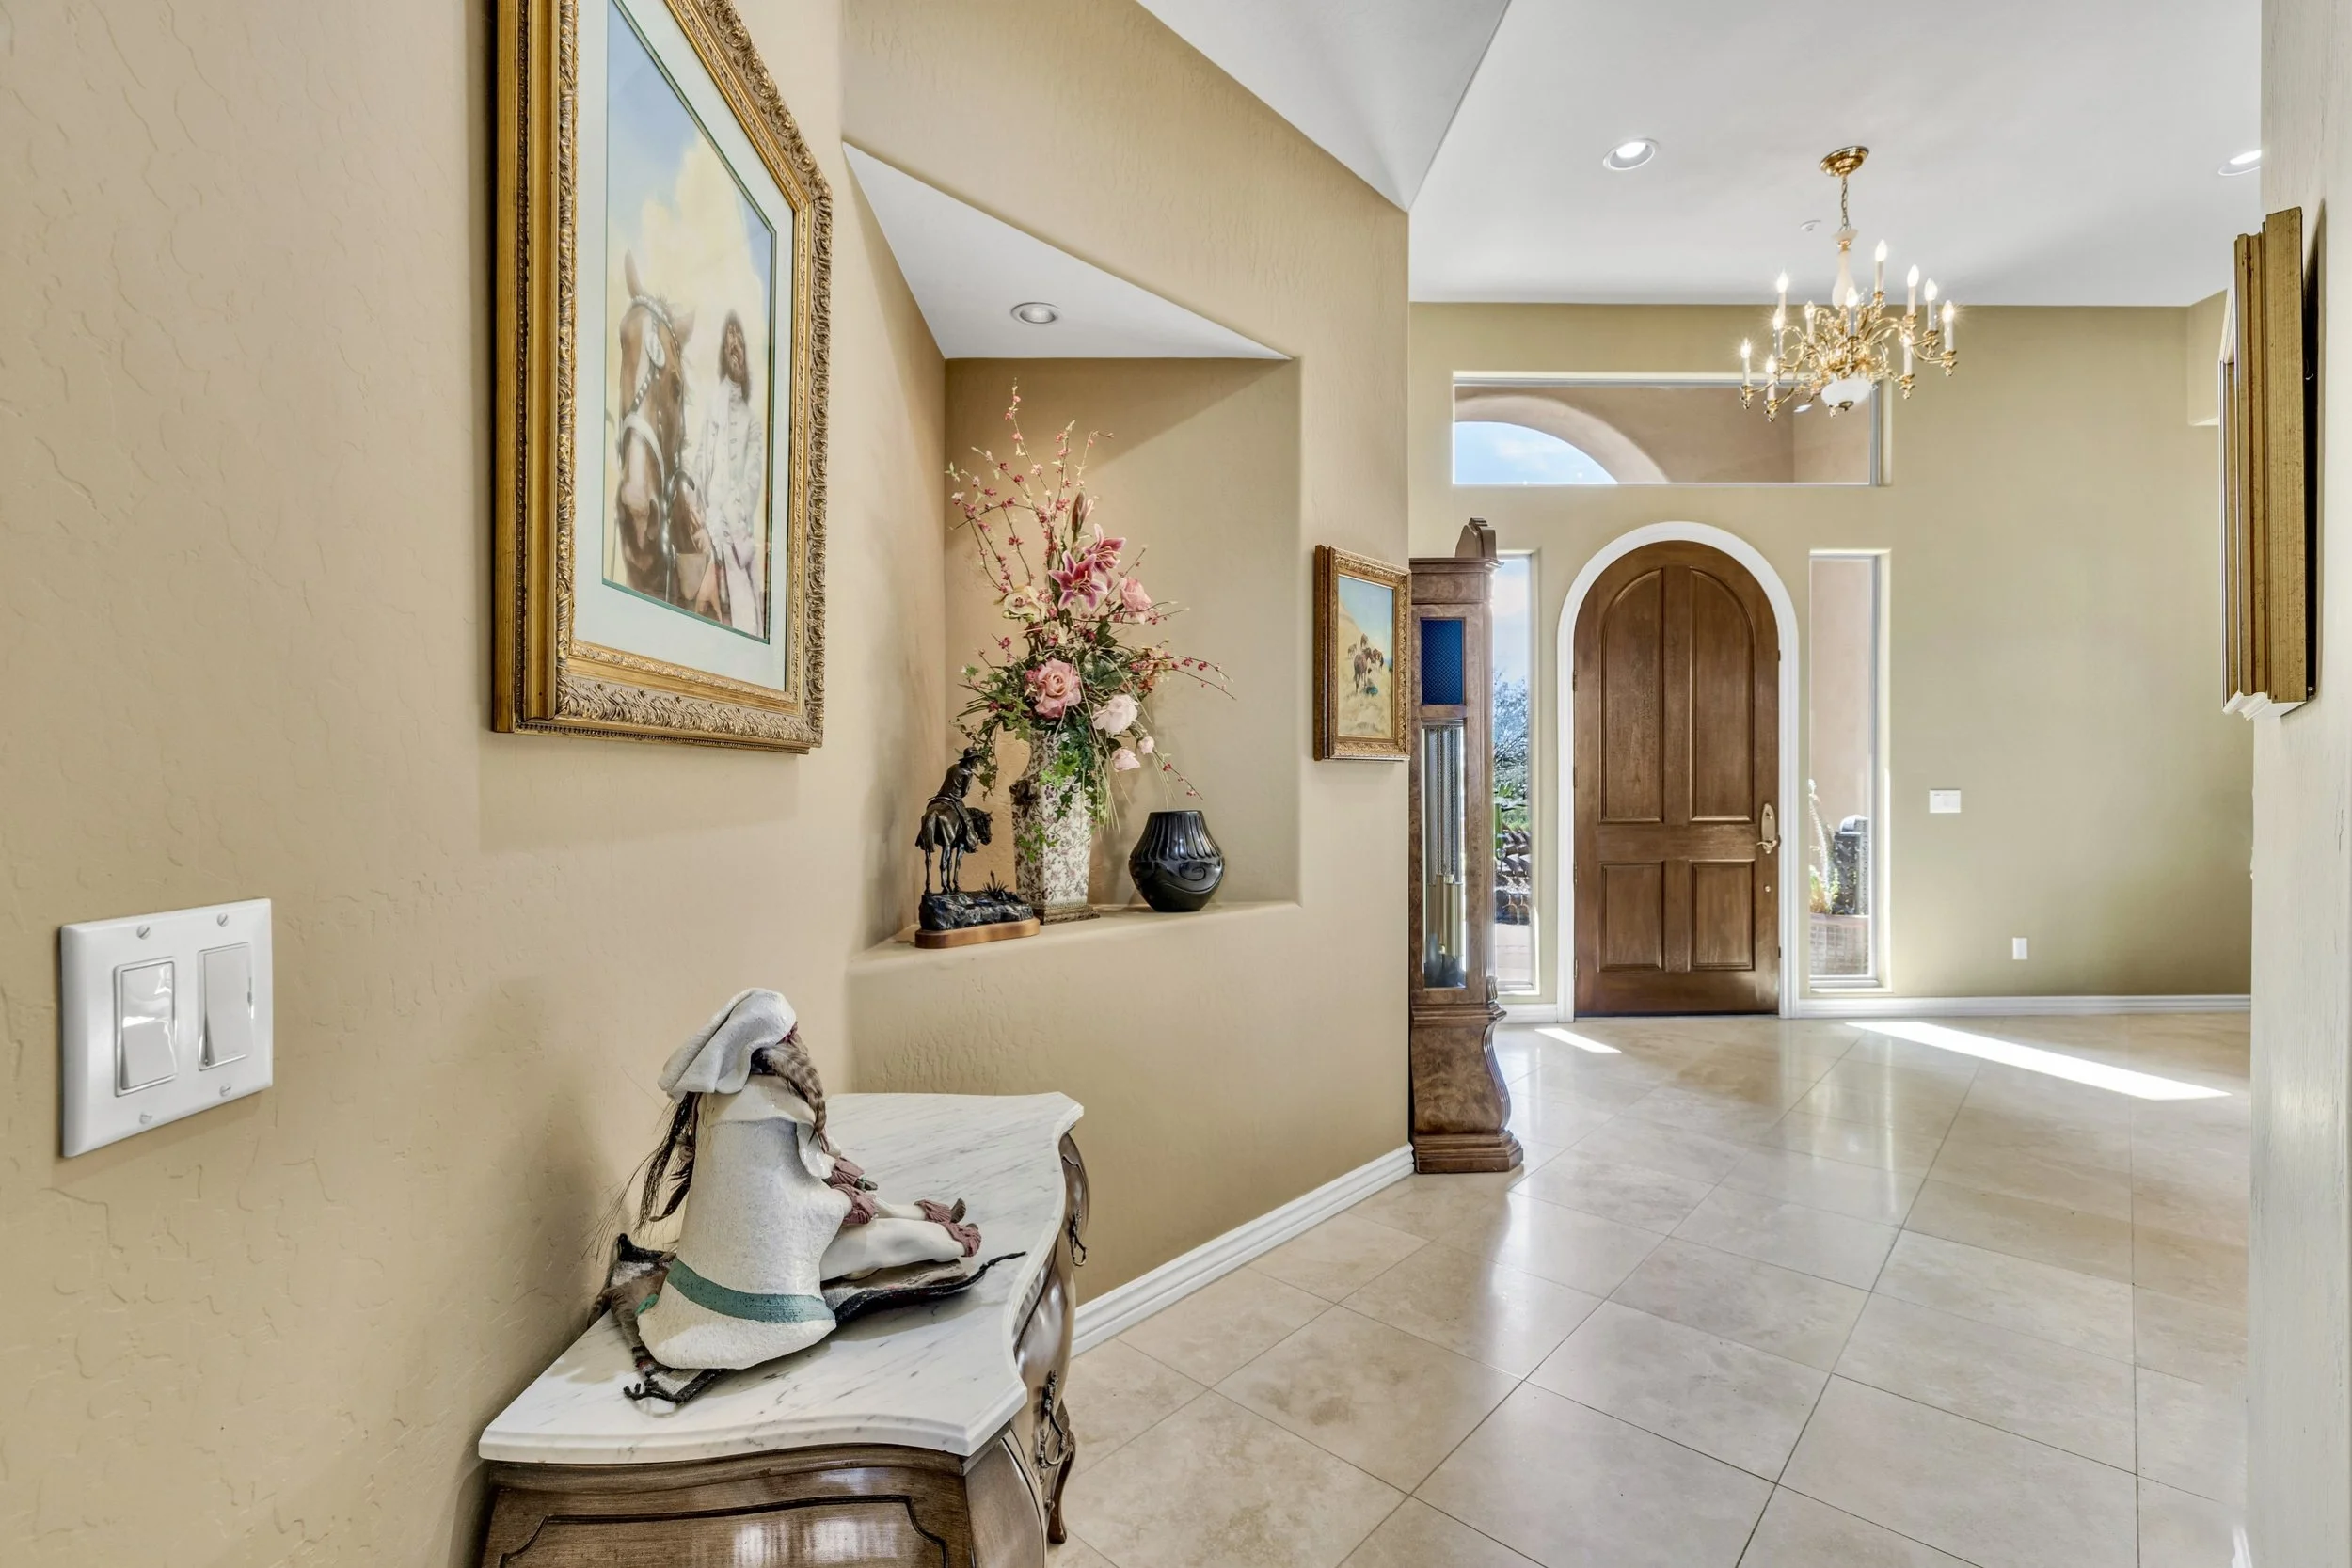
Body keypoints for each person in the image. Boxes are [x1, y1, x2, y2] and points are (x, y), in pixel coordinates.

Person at [681, 311, 766, 634]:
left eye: (739, 338)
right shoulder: (712, 409)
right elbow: (699, 465)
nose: (736, 345)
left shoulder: (752, 423)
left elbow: (749, 490)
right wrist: (691, 505)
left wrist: (716, 531)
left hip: (734, 546)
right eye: (730, 338)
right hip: (704, 535)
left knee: (743, 622)